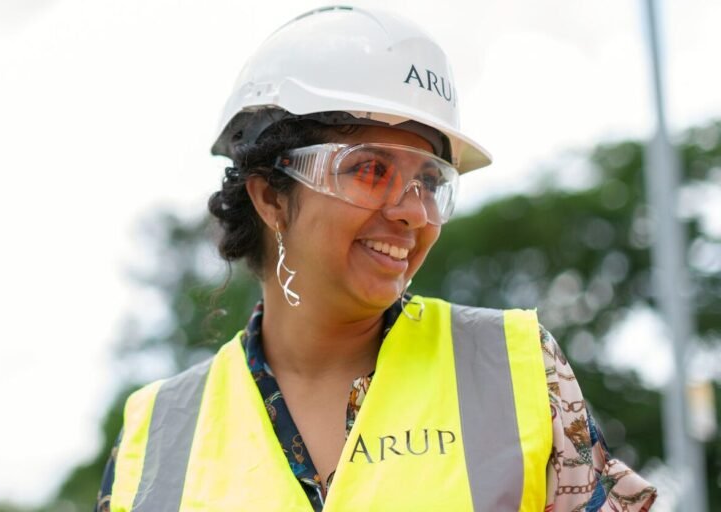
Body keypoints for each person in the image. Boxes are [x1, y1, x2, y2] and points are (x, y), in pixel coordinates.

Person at [96, 6, 657, 511]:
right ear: (270, 197)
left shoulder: (515, 371)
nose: (414, 212)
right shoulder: (156, 440)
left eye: (430, 181)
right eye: (370, 170)